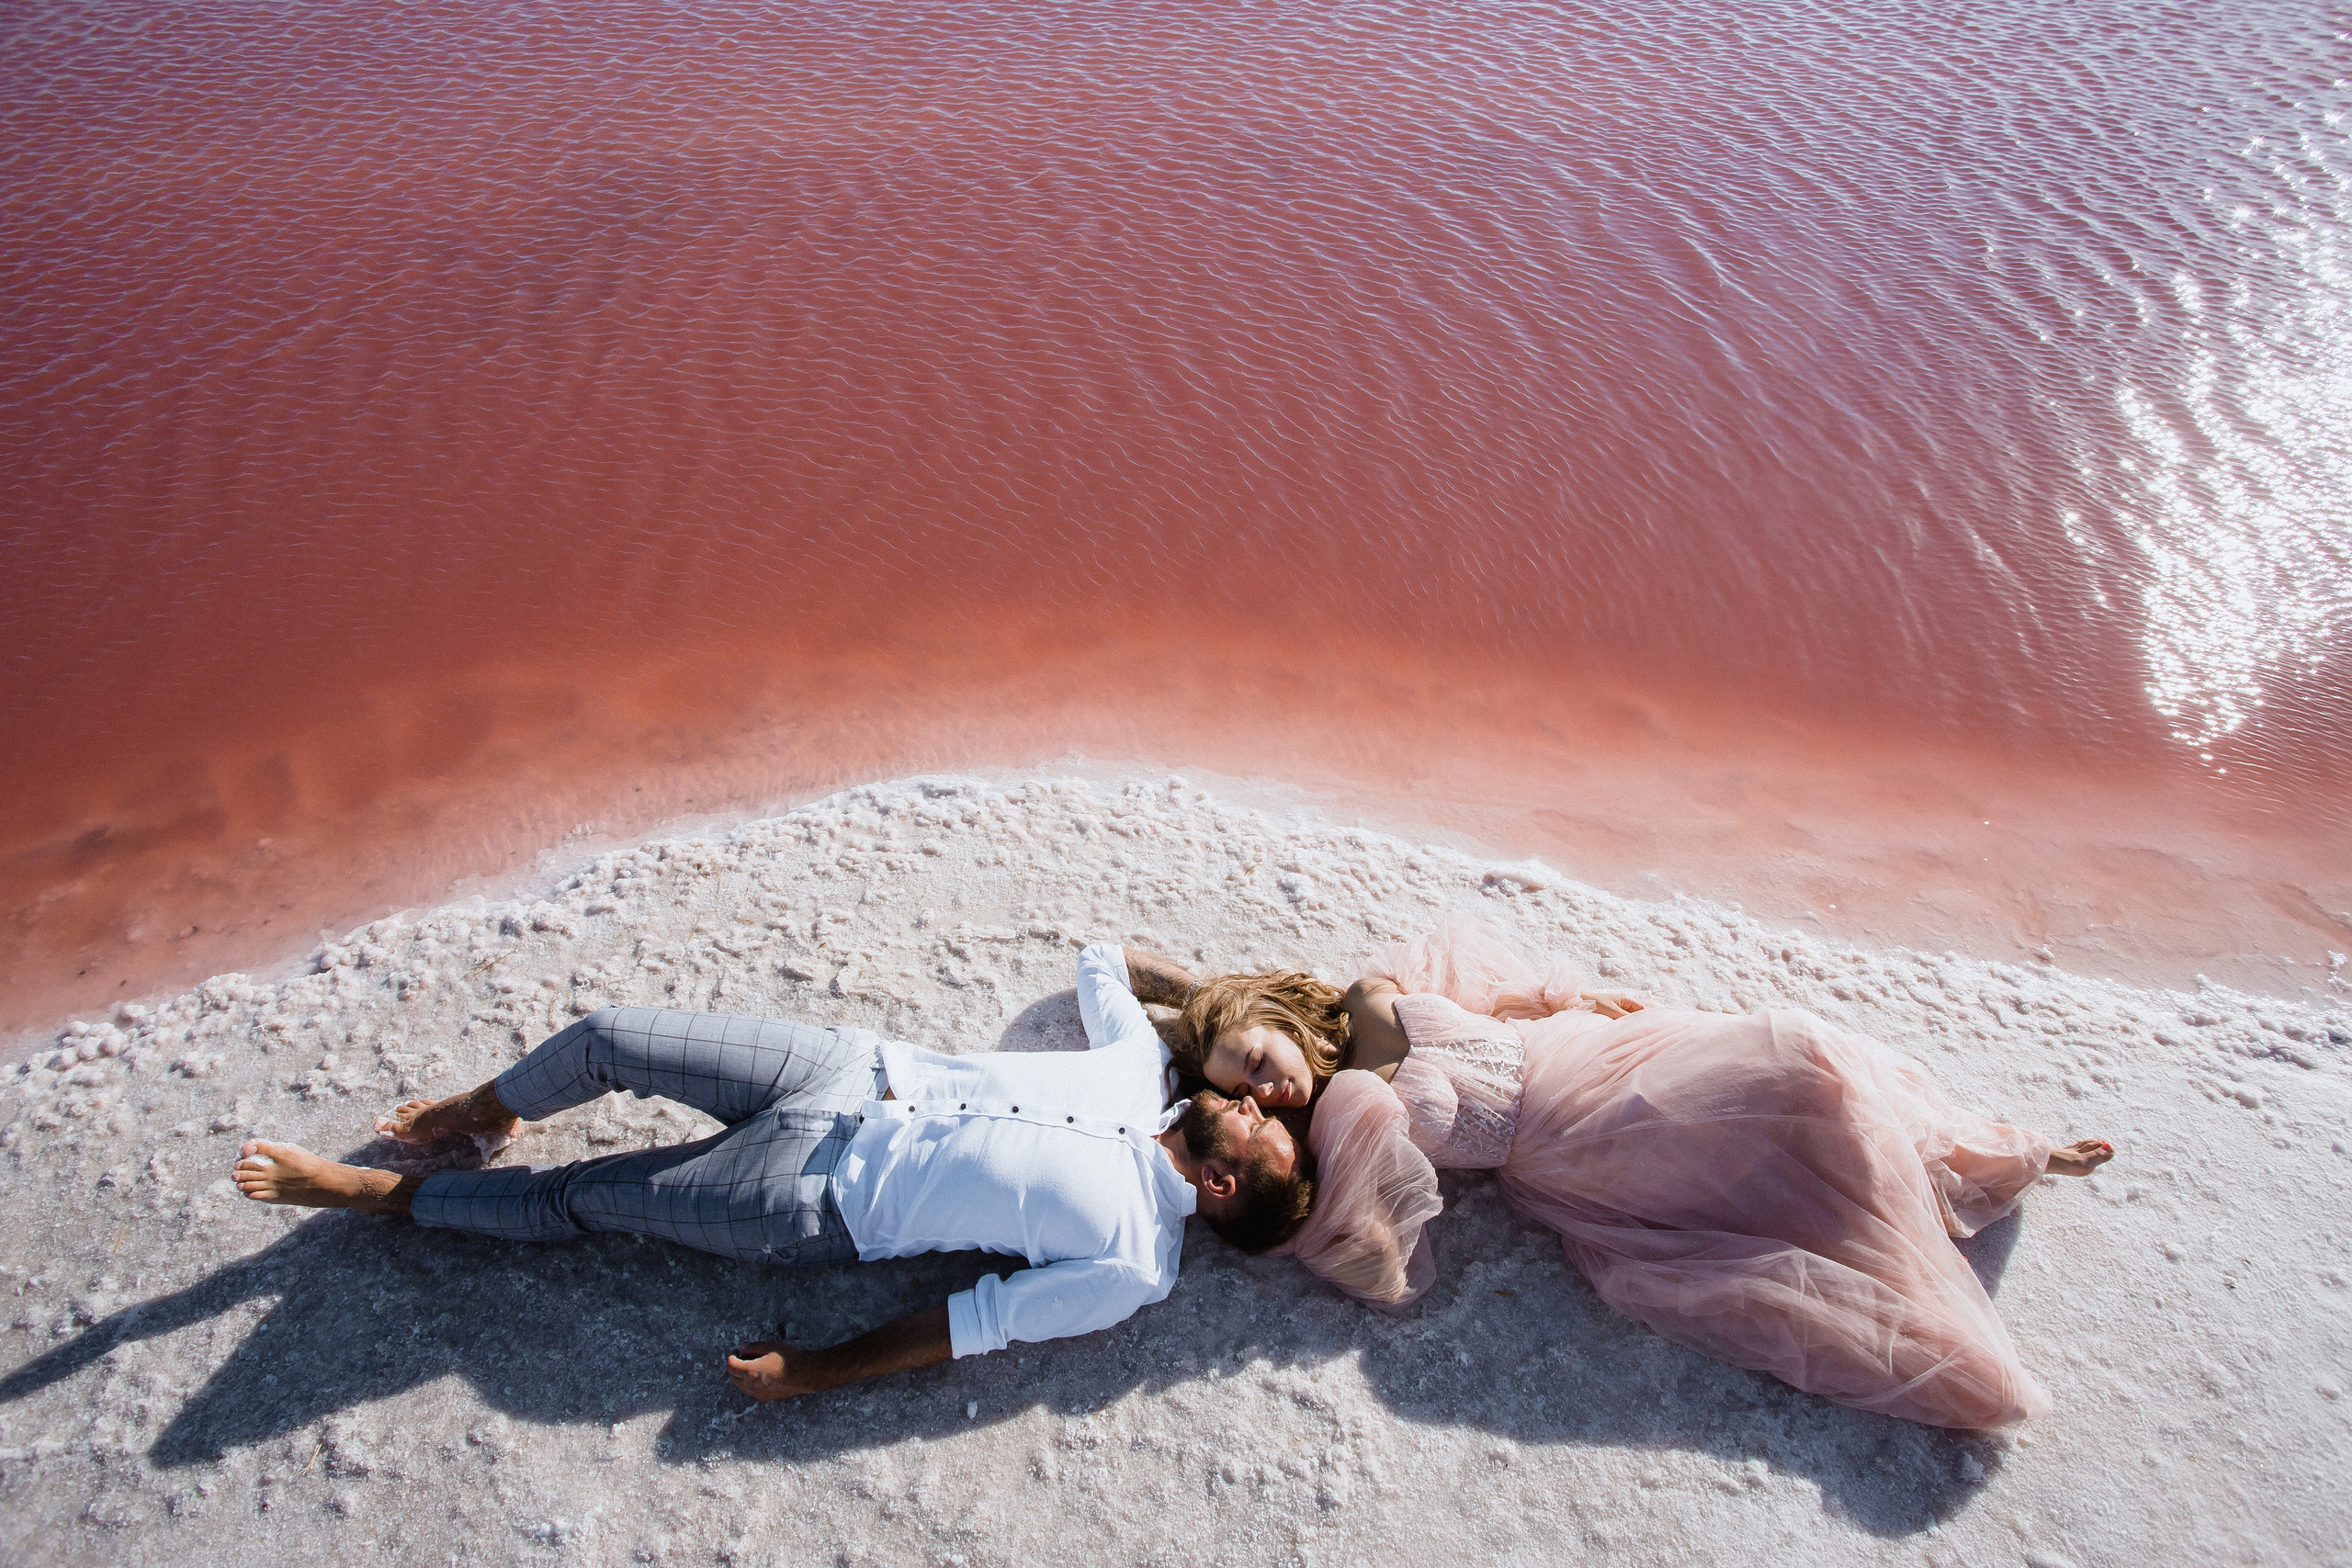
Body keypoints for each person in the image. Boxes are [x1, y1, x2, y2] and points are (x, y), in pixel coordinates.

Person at [231, 943, 1312, 1401]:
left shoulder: (1136, 1262)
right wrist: (1233, 1018)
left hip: (813, 1199)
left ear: (1222, 1190)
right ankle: (482, 1112)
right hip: (846, 1065)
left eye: (1264, 1131)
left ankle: (384, 1193)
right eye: (1268, 1100)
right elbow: (1098, 958)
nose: (1257, 1105)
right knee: (611, 1034)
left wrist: (819, 1371)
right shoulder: (1145, 1066)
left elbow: (971, 1323)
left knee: (584, 1200)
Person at [1148, 921, 2114, 1429]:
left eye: (1251, 1055)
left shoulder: (1368, 994)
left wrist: (1558, 998)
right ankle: (1918, 1195)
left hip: (1586, 1052)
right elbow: (1359, 1251)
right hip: (1578, 1144)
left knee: (1803, 1056)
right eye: (1247, 1095)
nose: (1265, 1088)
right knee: (1783, 1130)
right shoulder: (1344, 1119)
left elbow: (1486, 996)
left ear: (1268, 1010)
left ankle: (1955, 1157)